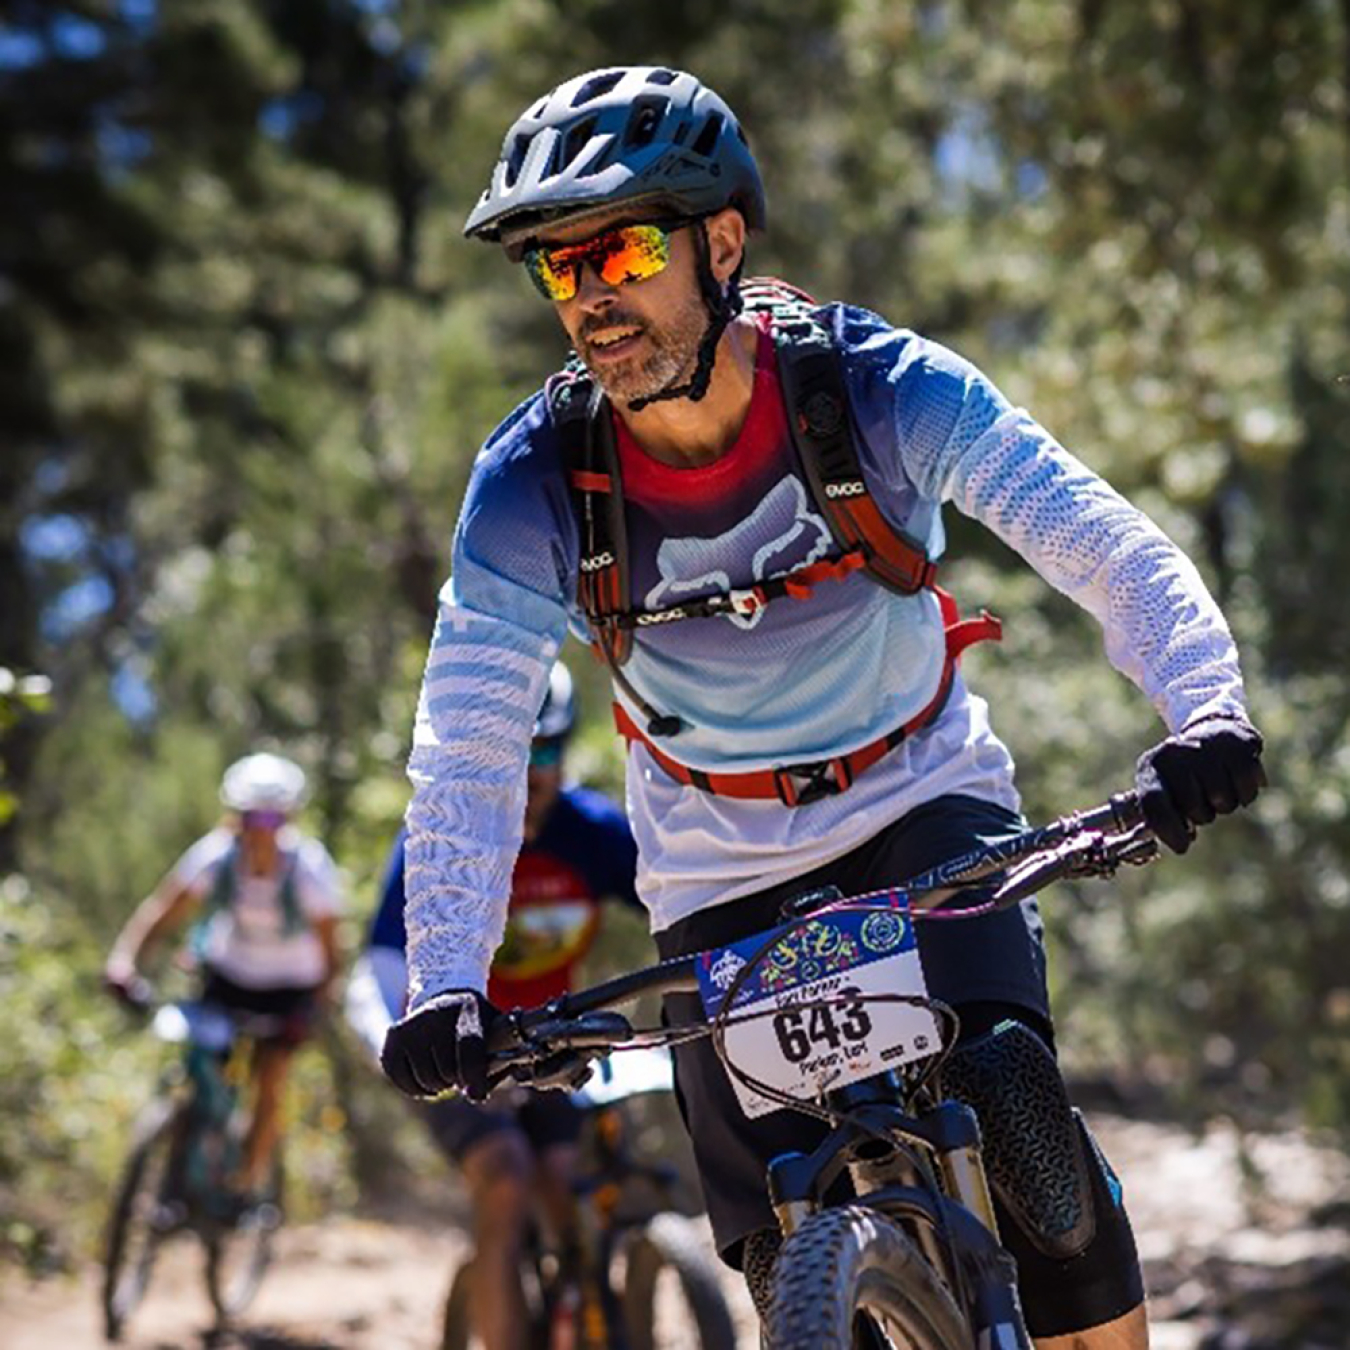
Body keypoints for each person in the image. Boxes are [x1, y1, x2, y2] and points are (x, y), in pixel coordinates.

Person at [379, 66, 1266, 1349]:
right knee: (781, 1245)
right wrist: (446, 978)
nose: (592, 298)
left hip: (918, 802)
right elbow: (469, 737)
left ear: (720, 241)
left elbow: (1100, 542)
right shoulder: (530, 481)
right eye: (559, 271)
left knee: (1023, 1127)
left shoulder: (874, 385)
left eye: (621, 249)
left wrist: (1204, 709)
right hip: (712, 867)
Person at [347, 661, 641, 1350]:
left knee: (566, 1184)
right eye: (514, 753)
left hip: (548, 1049)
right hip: (459, 1053)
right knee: (506, 1176)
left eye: (545, 752)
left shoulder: (592, 831)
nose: (530, 773)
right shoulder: (445, 835)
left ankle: (581, 1311)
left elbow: (676, 905)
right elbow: (381, 962)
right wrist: (387, 1037)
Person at [105, 751, 343, 1202]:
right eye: (251, 816)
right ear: (235, 816)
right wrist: (124, 962)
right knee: (199, 1066)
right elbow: (162, 914)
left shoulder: (311, 871)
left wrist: (319, 1004)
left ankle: (246, 1186)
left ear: (289, 818)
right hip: (228, 974)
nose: (261, 828)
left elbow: (333, 950)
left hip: (290, 987)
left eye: (273, 818)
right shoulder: (213, 859)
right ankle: (182, 1166)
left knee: (270, 1079)